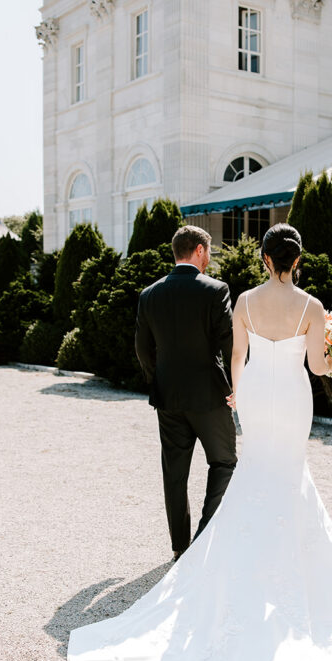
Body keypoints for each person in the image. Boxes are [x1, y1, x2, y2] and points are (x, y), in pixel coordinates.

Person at [68, 223, 332, 661]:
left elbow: (236, 359)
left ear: (264, 259)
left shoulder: (241, 299)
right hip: (292, 397)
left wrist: (239, 401)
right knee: (288, 474)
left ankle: (215, 551)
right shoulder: (312, 306)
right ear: (298, 261)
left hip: (258, 397)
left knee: (252, 472)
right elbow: (317, 366)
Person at [134, 225, 237, 561]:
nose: (210, 258)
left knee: (174, 473)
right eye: (209, 251)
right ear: (198, 250)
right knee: (223, 462)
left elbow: (142, 349)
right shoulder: (216, 289)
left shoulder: (149, 294)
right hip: (210, 396)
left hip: (169, 398)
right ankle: (205, 538)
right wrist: (234, 386)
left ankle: (181, 547)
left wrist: (159, 378)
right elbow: (228, 342)